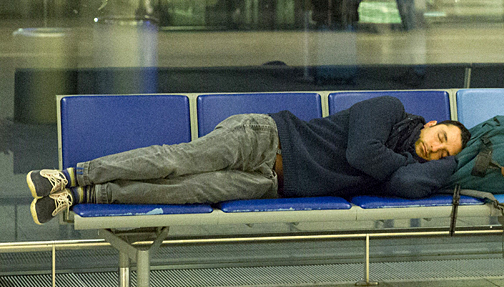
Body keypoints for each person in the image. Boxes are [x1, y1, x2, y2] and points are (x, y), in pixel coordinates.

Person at [26, 96, 471, 225]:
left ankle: (86, 195)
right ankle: (68, 174)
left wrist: (449, 167)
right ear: (432, 123)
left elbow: (409, 185)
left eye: (444, 153)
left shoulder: (405, 167)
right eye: (442, 137)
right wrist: (409, 167)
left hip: (270, 185)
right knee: (176, 161)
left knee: (186, 192)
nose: (436, 149)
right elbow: (360, 153)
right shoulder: (389, 111)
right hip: (265, 138)